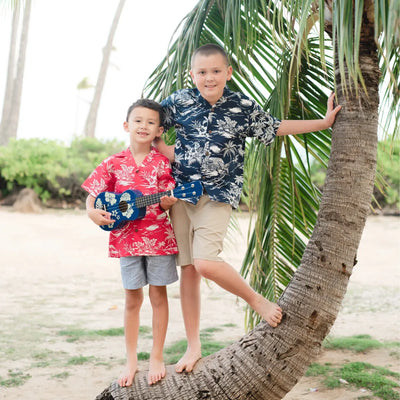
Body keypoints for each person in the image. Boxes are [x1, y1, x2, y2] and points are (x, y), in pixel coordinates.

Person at [156, 43, 342, 374]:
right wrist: (164, 149)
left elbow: (275, 127)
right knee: (188, 270)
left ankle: (255, 300)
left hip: (217, 195)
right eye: (202, 72)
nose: (209, 77)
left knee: (205, 262)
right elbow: (149, 125)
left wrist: (324, 123)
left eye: (216, 71)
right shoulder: (177, 102)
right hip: (179, 196)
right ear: (192, 75)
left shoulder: (240, 106)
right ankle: (193, 345)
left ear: (228, 73)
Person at [82, 99, 179, 387]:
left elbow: (165, 203)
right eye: (138, 121)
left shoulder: (162, 163)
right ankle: (131, 360)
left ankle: (157, 356)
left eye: (150, 122)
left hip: (158, 239)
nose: (143, 126)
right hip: (126, 241)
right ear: (127, 125)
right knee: (132, 299)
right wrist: (91, 212)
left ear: (159, 131)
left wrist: (167, 202)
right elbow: (93, 192)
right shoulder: (113, 163)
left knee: (158, 296)